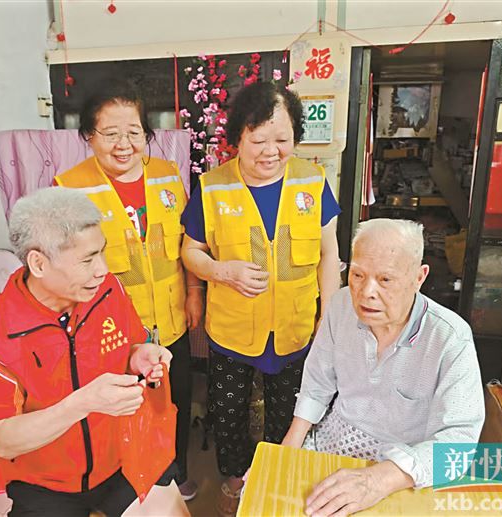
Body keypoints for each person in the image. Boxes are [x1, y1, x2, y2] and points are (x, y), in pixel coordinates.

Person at [0, 187, 189, 517]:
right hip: (45, 485)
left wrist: (139, 356)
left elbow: (130, 344)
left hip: (123, 458)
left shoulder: (108, 289)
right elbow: (1, 439)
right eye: (87, 260)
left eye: (102, 252)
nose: (102, 269)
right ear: (38, 263)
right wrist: (82, 403)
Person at [181, 81, 341, 516]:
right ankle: (235, 481)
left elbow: (329, 254)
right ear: (238, 138)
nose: (271, 151)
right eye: (259, 140)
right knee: (228, 412)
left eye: (282, 140)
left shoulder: (312, 181)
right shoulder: (212, 187)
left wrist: (328, 315)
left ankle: (272, 481)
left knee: (288, 413)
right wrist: (222, 271)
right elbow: (191, 251)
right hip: (232, 329)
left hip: (295, 327)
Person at [54, 87, 201, 500]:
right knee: (121, 410)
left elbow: (186, 245)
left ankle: (175, 474)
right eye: (110, 133)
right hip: (111, 333)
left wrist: (194, 291)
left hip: (170, 321)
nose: (124, 144)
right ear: (89, 135)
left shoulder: (168, 175)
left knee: (174, 400)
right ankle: (128, 487)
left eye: (134, 132)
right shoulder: (70, 189)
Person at [282, 218, 485, 516]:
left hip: (404, 467)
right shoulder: (340, 305)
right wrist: (287, 450)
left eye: (385, 280)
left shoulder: (450, 338)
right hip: (332, 441)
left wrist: (378, 480)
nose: (366, 292)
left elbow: (459, 442)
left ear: (419, 277)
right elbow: (317, 382)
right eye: (357, 275)